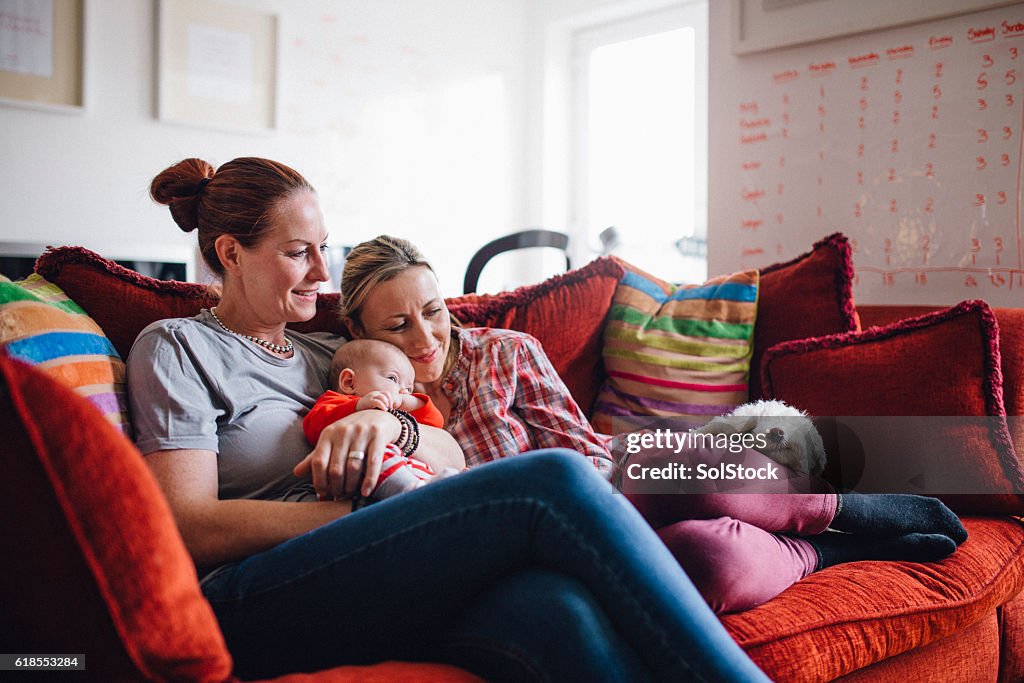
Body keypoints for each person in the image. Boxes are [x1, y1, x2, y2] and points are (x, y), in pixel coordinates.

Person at [126, 156, 772, 682]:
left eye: (324, 249)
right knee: (553, 480)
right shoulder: (177, 346)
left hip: (377, 561)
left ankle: (843, 496)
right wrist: (361, 515)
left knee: (559, 610)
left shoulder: (332, 351)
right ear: (231, 253)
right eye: (300, 253)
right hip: (253, 593)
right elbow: (188, 524)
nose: (322, 272)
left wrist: (391, 428)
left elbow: (451, 452)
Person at [327, 234, 968, 615]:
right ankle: (830, 552)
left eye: (434, 311)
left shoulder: (502, 351)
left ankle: (848, 508)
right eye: (396, 326)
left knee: (699, 471)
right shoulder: (365, 404)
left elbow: (582, 450)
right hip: (543, 539)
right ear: (357, 333)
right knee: (712, 562)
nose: (426, 337)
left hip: (602, 481)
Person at [301, 338, 454, 504]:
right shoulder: (335, 402)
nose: (403, 391)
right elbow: (313, 426)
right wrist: (358, 406)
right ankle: (413, 492)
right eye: (393, 379)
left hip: (411, 472)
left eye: (409, 388)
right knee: (373, 452)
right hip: (357, 478)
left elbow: (435, 423)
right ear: (349, 382)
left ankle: (436, 486)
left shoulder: (397, 411)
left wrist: (412, 402)